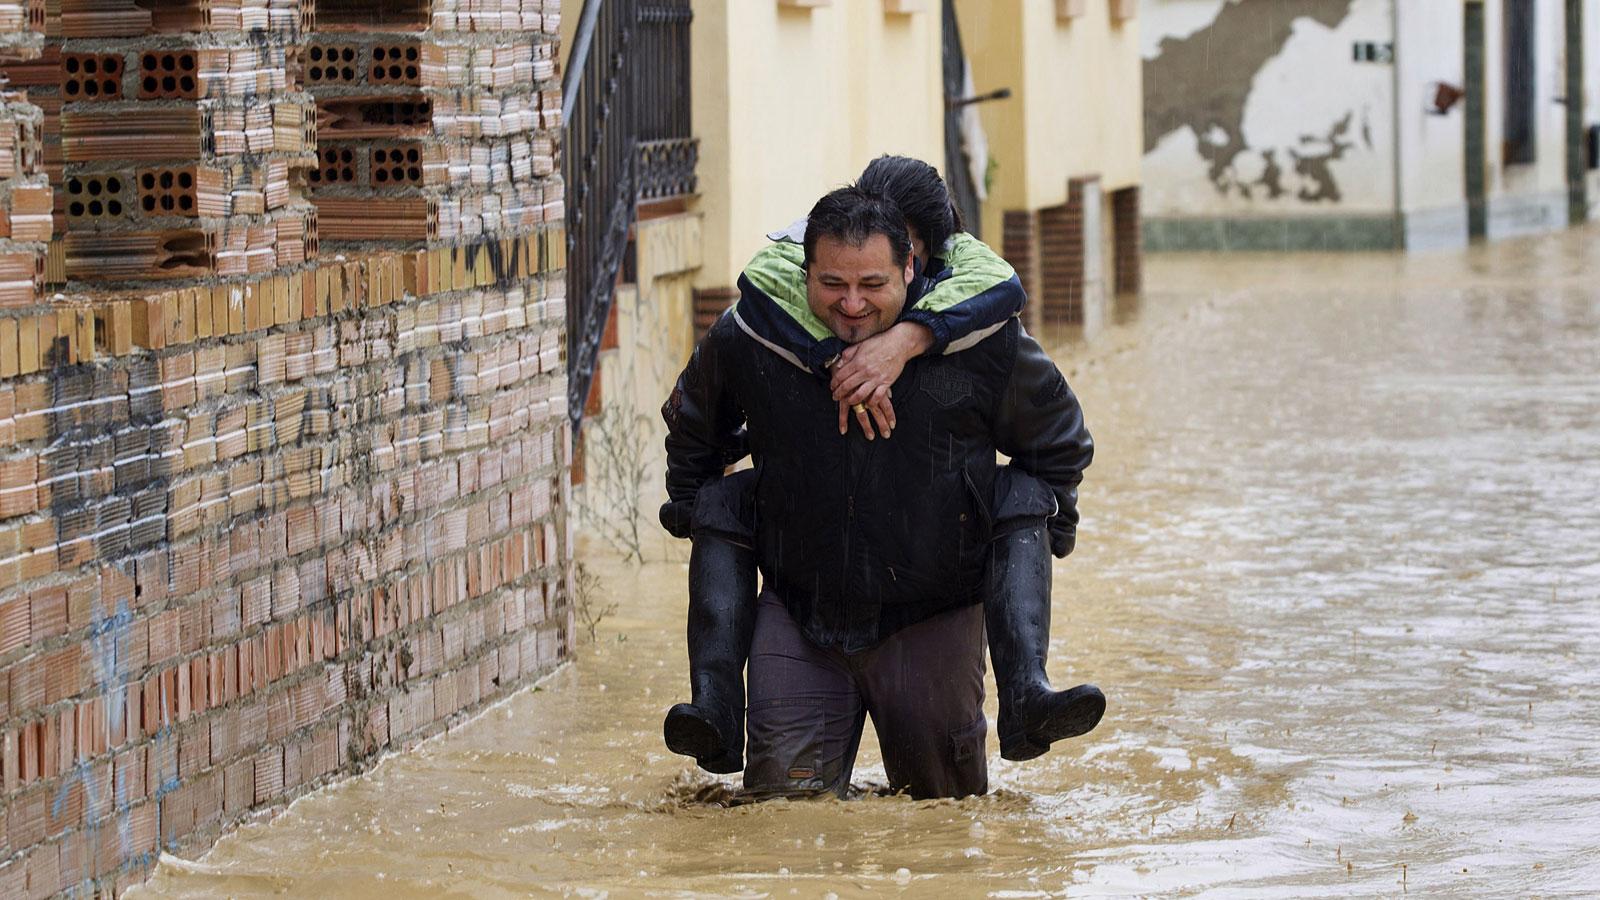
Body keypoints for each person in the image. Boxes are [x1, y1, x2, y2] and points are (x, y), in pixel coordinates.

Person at [660, 186, 1102, 798]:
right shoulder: (751, 337)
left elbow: (1059, 439)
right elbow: (692, 427)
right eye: (833, 284)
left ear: (912, 269)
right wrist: (693, 509)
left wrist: (1048, 530)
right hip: (800, 615)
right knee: (781, 824)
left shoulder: (986, 344)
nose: (852, 305)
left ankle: (1027, 694)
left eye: (873, 284)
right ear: (803, 272)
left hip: (933, 614)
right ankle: (714, 708)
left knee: (948, 827)